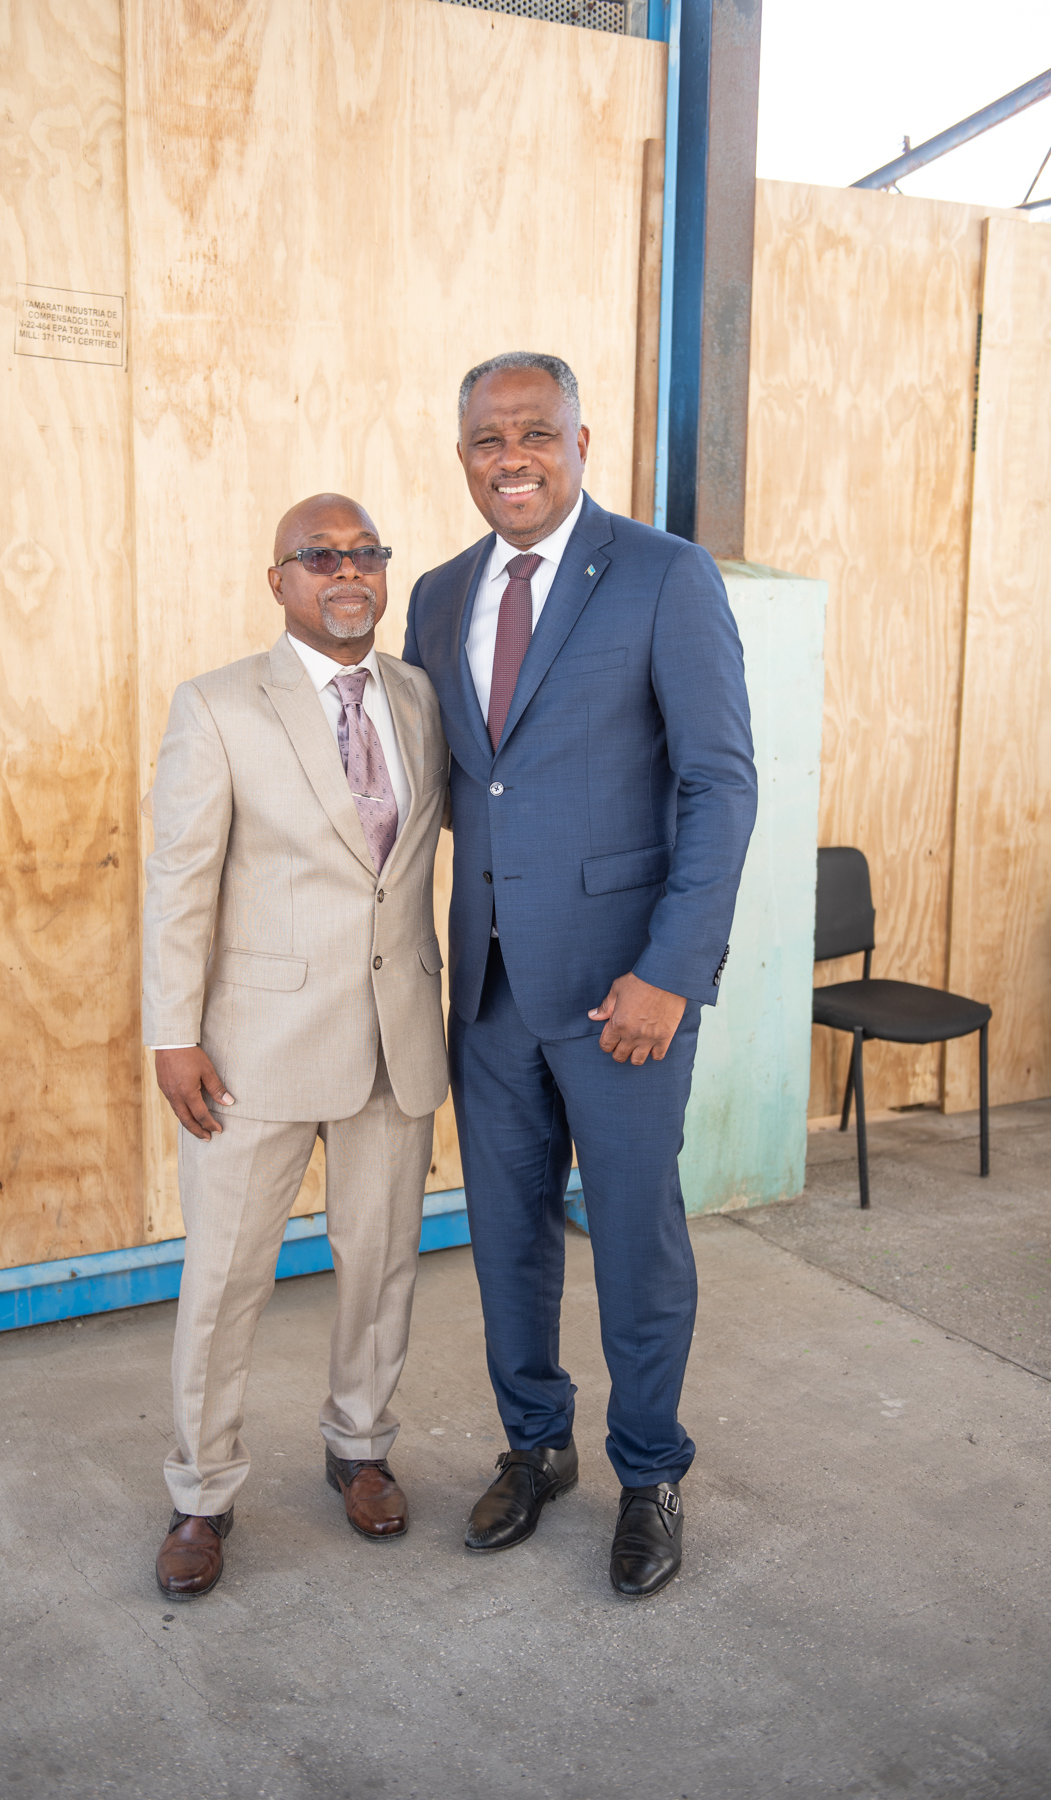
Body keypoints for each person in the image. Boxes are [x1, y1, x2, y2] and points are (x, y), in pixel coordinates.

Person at [403, 352, 756, 1599]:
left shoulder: (662, 574)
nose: (512, 457)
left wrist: (672, 970)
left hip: (622, 994)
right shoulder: (437, 596)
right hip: (489, 993)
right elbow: (464, 788)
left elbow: (719, 784)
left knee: (635, 1244)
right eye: (488, 439)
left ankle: (648, 1473)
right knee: (505, 1240)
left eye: (535, 433)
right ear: (463, 457)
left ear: (580, 441)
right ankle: (535, 1447)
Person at [143, 493, 449, 1598]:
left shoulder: (418, 697)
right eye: (319, 556)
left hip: (395, 1039)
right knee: (225, 1279)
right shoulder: (218, 705)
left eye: (365, 553)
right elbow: (179, 881)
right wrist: (173, 1033)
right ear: (278, 581)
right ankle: (200, 1492)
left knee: (382, 1263)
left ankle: (360, 1448)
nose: (346, 571)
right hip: (252, 1049)